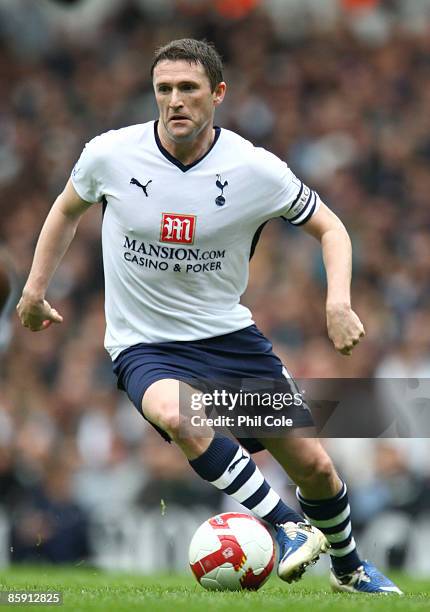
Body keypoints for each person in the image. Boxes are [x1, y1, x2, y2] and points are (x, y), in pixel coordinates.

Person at [17, 39, 402, 594]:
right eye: (164, 89)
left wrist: (337, 301)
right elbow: (65, 209)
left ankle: (349, 568)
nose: (175, 101)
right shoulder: (109, 155)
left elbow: (332, 227)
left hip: (230, 341)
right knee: (179, 413)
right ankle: (285, 526)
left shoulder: (254, 169)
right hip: (145, 345)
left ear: (218, 94)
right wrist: (33, 290)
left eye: (189, 89)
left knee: (316, 469)